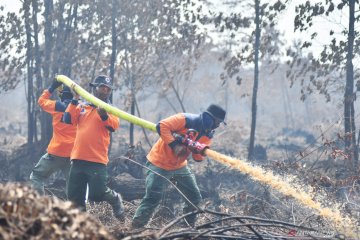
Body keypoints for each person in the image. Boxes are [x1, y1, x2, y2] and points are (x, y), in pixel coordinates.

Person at [131, 104, 226, 228]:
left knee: (194, 198)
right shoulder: (186, 119)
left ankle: (186, 226)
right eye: (217, 122)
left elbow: (198, 158)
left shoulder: (208, 134)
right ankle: (136, 228)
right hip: (159, 162)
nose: (218, 125)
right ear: (210, 118)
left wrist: (198, 150)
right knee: (153, 198)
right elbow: (161, 126)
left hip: (179, 166)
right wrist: (175, 145)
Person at [63, 75, 125, 220]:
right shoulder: (82, 106)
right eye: (102, 87)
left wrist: (104, 115)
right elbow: (68, 119)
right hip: (78, 159)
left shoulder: (111, 109)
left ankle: (115, 199)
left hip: (97, 160)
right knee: (74, 198)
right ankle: (81, 226)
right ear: (95, 88)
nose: (105, 90)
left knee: (97, 194)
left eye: (108, 89)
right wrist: (75, 99)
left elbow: (113, 126)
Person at [30, 79, 76, 196]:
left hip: (56, 152)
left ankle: (39, 205)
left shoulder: (57, 106)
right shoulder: (80, 109)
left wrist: (51, 87)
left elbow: (41, 101)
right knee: (73, 184)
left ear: (62, 95)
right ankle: (75, 210)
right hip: (73, 155)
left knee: (36, 176)